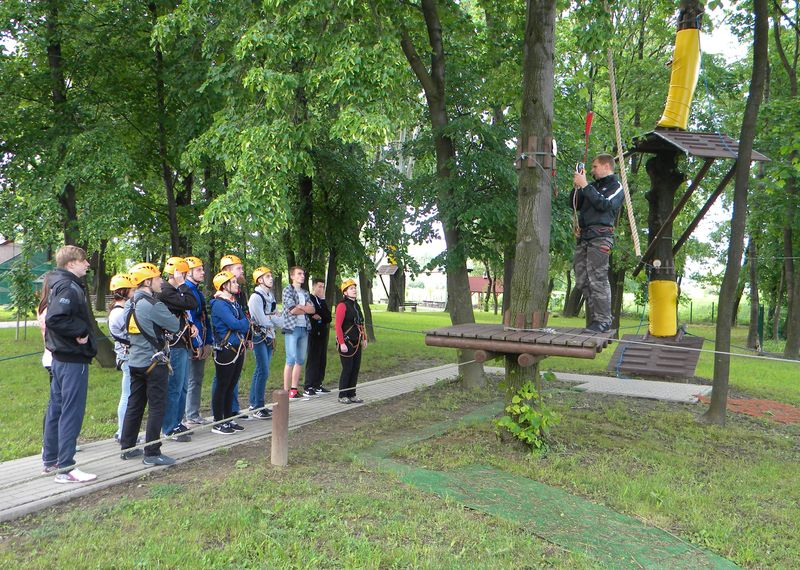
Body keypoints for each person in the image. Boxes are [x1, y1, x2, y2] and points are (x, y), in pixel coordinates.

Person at [42, 245, 97, 483]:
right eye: (84, 260)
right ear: (71, 263)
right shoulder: (68, 286)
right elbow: (55, 318)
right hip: (72, 358)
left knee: (57, 408)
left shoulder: (59, 283)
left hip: (61, 357)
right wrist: (81, 331)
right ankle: (66, 467)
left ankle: (51, 461)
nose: (88, 264)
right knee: (70, 411)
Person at [119, 262, 180, 466]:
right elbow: (174, 325)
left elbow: (123, 330)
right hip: (154, 362)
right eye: (157, 278)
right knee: (157, 406)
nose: (161, 281)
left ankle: (127, 447)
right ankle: (152, 452)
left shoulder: (129, 304)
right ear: (147, 282)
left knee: (135, 405)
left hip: (135, 361)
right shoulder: (153, 304)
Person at [570, 153, 624, 333]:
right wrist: (578, 186)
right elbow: (574, 204)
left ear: (606, 166)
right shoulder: (591, 186)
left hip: (600, 237)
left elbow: (604, 205)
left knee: (597, 279)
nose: (592, 170)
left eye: (595, 167)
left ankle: (603, 320)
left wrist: (585, 185)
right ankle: (596, 319)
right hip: (584, 237)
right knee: (582, 279)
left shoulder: (616, 186)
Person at [159, 257, 198, 443]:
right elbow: (191, 302)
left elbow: (186, 306)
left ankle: (177, 421)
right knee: (175, 386)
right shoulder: (166, 291)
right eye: (184, 274)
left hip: (182, 342)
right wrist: (183, 284)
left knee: (182, 387)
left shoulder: (173, 291)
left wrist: (190, 323)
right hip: (174, 345)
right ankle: (169, 427)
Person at [209, 270, 251, 435]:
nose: (236, 284)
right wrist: (243, 323)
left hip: (237, 348)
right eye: (233, 282)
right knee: (222, 385)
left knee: (231, 385)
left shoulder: (233, 302)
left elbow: (245, 322)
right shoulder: (219, 304)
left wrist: (243, 323)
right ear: (224, 286)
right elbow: (236, 323)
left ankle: (227, 419)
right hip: (226, 350)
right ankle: (218, 421)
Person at [247, 266, 284, 419]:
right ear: (259, 280)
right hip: (258, 336)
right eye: (267, 276)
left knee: (261, 369)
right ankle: (258, 406)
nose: (271, 278)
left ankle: (254, 403)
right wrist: (272, 317)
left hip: (269, 335)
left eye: (271, 276)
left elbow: (278, 319)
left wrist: (272, 318)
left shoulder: (270, 296)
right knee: (263, 370)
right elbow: (262, 320)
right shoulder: (256, 297)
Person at [183, 256, 212, 425]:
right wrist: (198, 344)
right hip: (191, 342)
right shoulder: (186, 291)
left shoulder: (197, 291)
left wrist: (208, 341)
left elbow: (204, 319)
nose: (203, 272)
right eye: (199, 270)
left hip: (200, 340)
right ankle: (189, 415)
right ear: (188, 272)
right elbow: (190, 320)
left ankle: (192, 413)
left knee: (196, 378)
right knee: (189, 380)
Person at [108, 273, 136, 442]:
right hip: (127, 357)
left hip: (127, 356)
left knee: (129, 394)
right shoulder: (120, 314)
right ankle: (123, 431)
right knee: (128, 395)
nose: (134, 292)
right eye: (132, 289)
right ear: (124, 291)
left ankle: (123, 430)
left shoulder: (120, 311)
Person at [281, 266, 315, 399]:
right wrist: (305, 308)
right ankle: (285, 391)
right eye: (299, 274)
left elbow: (313, 310)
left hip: (304, 328)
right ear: (292, 276)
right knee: (290, 359)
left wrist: (301, 307)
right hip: (292, 328)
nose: (302, 276)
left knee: (300, 360)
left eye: (303, 274)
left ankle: (294, 390)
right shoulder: (287, 290)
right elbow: (292, 310)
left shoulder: (305, 293)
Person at [335, 279, 367, 404]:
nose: (354, 290)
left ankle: (352, 394)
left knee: (355, 368)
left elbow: (361, 323)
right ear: (345, 292)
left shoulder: (356, 306)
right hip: (346, 342)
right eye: (351, 288)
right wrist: (342, 343)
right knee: (347, 368)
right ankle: (342, 395)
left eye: (354, 288)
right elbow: (338, 326)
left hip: (357, 341)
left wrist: (364, 338)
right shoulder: (342, 305)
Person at [303, 280, 332, 397]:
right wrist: (319, 314)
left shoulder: (322, 301)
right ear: (314, 287)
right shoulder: (310, 299)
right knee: (313, 359)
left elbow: (328, 317)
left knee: (321, 359)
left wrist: (321, 316)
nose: (321, 289)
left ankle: (318, 384)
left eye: (323, 287)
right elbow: (312, 312)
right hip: (313, 333)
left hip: (323, 333)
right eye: (319, 287)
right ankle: (308, 385)